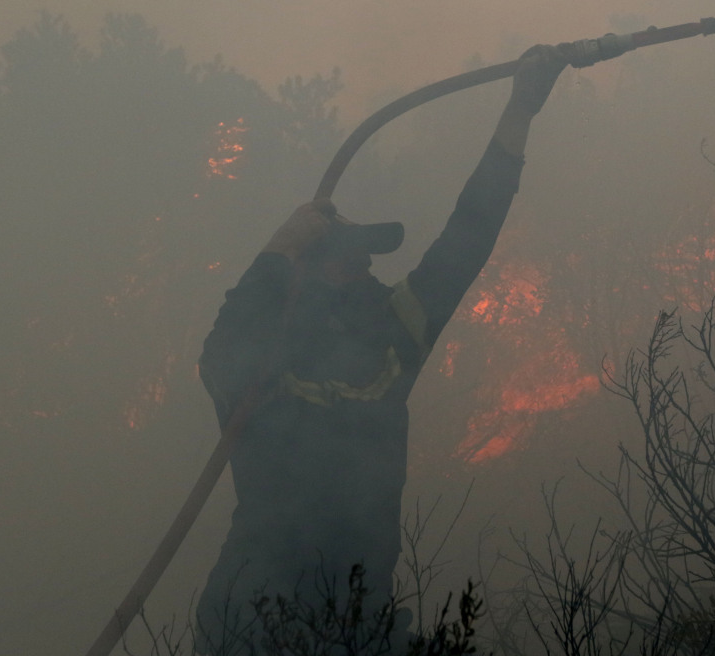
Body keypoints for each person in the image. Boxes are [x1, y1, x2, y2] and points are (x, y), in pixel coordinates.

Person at [193, 45, 567, 650]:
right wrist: (277, 250)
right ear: (306, 277)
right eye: (347, 259)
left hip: (358, 615)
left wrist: (519, 111)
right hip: (252, 620)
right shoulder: (261, 359)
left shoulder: (393, 335)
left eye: (367, 258)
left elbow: (467, 237)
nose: (366, 268)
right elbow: (220, 350)